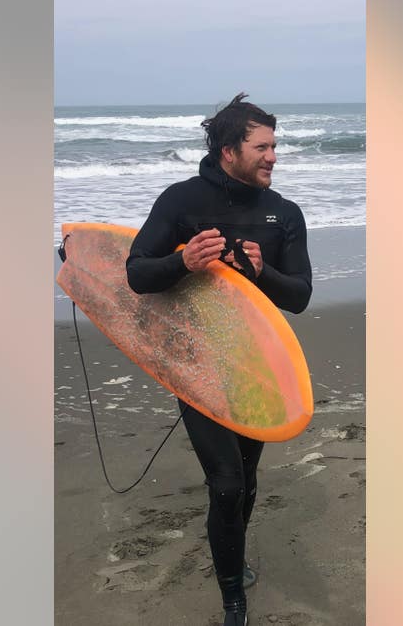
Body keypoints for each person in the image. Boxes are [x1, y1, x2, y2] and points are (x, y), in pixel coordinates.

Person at [125, 93, 312, 626]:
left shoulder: (283, 214)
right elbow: (137, 274)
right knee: (226, 481)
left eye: (275, 145)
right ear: (229, 151)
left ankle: (233, 554)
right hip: (195, 364)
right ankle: (235, 601)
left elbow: (298, 295)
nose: (273, 155)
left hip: (257, 368)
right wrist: (182, 261)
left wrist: (262, 274)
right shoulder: (180, 202)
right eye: (263, 146)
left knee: (246, 480)